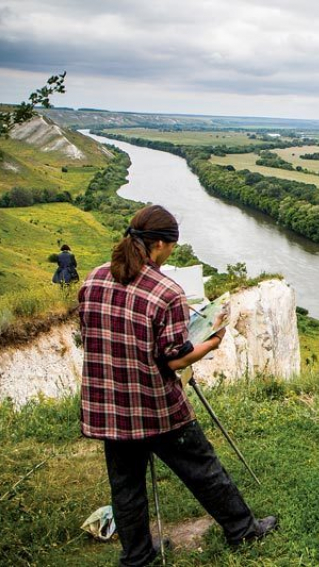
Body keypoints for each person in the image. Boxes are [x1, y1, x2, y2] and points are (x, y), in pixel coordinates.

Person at [78, 204, 277, 567]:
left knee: (126, 487)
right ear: (158, 245)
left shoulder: (93, 279)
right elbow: (175, 359)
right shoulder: (166, 291)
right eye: (171, 246)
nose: (172, 252)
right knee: (203, 468)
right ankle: (243, 531)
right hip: (155, 406)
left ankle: (137, 556)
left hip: (108, 405)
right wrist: (214, 341)